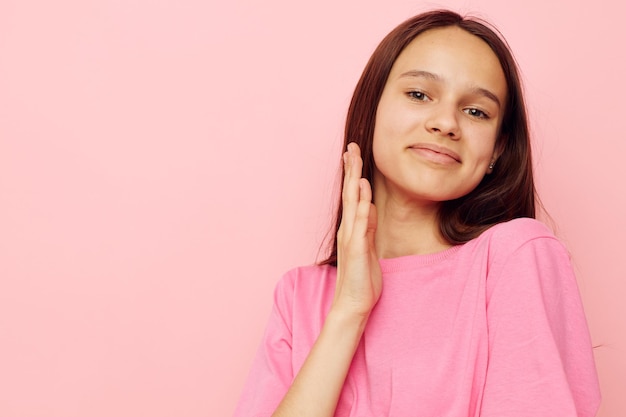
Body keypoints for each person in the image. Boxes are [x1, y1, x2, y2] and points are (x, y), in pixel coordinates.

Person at [233, 9, 601, 417]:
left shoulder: (514, 257)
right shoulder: (299, 296)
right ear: (371, 109)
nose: (446, 123)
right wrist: (349, 311)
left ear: (497, 149)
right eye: (419, 94)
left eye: (476, 111)